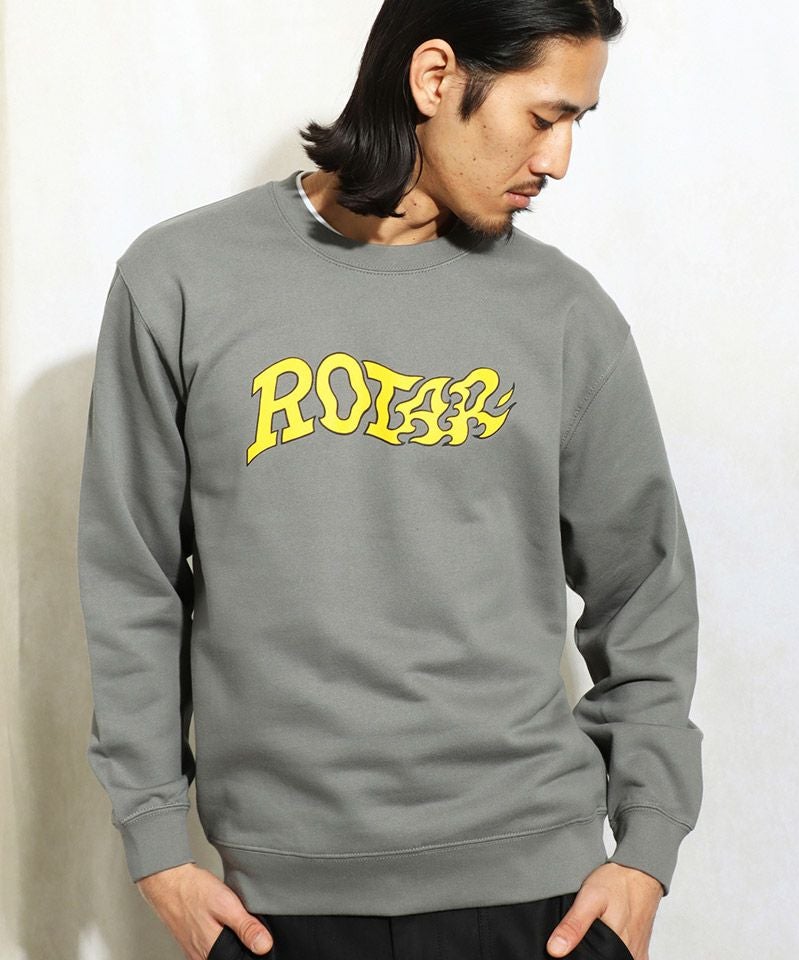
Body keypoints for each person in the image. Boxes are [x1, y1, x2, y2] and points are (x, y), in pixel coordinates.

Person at [76, 1, 704, 958]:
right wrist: (156, 842)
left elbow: (644, 588)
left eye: (576, 123)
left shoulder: (564, 314)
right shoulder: (181, 281)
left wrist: (647, 847)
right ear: (436, 77)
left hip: (537, 896)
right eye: (544, 118)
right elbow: (133, 579)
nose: (560, 160)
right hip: (273, 902)